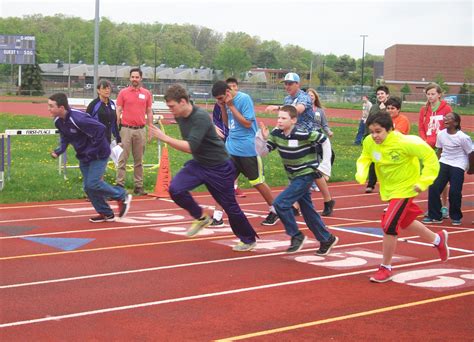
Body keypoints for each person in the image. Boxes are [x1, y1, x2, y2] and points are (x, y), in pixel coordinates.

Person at [148, 84, 258, 252]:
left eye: (172, 106)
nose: (170, 110)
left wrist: (165, 138)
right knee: (175, 189)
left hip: (219, 167)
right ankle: (201, 216)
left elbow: (191, 146)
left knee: (229, 206)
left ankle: (248, 239)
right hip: (200, 164)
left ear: (183, 101)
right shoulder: (180, 116)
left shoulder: (199, 116)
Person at [355, 112, 449, 283]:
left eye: (378, 131)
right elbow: (365, 157)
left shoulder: (406, 142)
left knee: (389, 224)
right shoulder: (369, 142)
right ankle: (438, 239)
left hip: (407, 188)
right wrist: (361, 173)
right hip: (389, 189)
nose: (374, 136)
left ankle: (386, 267)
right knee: (405, 221)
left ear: (390, 129)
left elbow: (430, 158)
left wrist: (424, 181)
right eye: (371, 132)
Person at [256, 105, 338, 254]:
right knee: (308, 211)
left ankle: (296, 236)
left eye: (283, 118)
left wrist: (325, 166)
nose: (279, 121)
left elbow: (324, 140)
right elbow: (262, 152)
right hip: (293, 177)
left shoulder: (302, 133)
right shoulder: (276, 134)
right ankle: (326, 239)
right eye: (278, 118)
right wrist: (263, 138)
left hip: (306, 174)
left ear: (293, 120)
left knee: (280, 204)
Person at [48, 93, 132, 222]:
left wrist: (93, 150)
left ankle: (121, 195)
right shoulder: (58, 121)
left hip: (99, 153)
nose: (49, 109)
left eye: (51, 106)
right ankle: (106, 213)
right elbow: (65, 137)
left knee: (93, 183)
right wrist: (59, 150)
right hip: (84, 156)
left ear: (62, 107)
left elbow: (100, 128)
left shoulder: (78, 118)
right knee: (88, 187)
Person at [212, 80, 278, 226]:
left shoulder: (244, 99)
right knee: (223, 182)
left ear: (227, 93)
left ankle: (275, 209)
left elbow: (247, 123)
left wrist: (230, 106)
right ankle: (217, 217)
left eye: (220, 98)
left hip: (247, 149)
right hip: (231, 148)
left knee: (257, 182)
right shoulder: (226, 103)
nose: (219, 101)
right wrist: (223, 107)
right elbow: (227, 122)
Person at [424, 112, 472, 225]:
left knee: (455, 191)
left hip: (459, 163)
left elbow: (471, 153)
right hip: (444, 161)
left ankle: (456, 216)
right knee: (434, 187)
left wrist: (470, 168)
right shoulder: (441, 134)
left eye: (449, 118)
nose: (445, 119)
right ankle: (435, 215)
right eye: (445, 117)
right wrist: (435, 164)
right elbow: (439, 149)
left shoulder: (463, 137)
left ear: (455, 123)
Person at [116, 67, 153, 196]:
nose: (134, 79)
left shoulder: (147, 94)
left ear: (141, 78)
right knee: (122, 159)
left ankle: (138, 186)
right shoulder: (123, 93)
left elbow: (149, 111)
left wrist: (150, 129)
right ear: (130, 78)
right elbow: (119, 109)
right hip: (126, 129)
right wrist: (116, 128)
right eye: (132, 77)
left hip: (140, 130)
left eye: (137, 77)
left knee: (139, 160)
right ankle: (120, 185)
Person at [418, 83, 453, 218]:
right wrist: (425, 139)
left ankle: (444, 206)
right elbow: (421, 126)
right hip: (428, 145)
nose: (430, 96)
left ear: (439, 94)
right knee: (431, 176)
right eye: (428, 94)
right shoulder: (424, 110)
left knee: (441, 176)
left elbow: (450, 125)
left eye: (433, 94)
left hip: (442, 146)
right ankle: (434, 206)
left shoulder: (446, 108)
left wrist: (442, 141)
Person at [306, 88, 336, 216]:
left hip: (317, 138)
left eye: (312, 95)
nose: (310, 97)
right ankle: (296, 206)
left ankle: (327, 199)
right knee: (303, 169)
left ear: (315, 97)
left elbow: (324, 125)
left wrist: (328, 132)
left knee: (313, 167)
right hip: (305, 138)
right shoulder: (301, 109)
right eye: (308, 95)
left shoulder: (319, 111)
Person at [364, 85, 390, 193]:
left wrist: (384, 109)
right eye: (378, 94)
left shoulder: (390, 106)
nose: (380, 96)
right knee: (373, 161)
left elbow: (389, 120)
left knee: (386, 162)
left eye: (382, 94)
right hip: (374, 137)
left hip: (385, 138)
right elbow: (369, 120)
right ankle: (371, 184)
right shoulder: (374, 107)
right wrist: (366, 135)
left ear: (387, 95)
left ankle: (385, 185)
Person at [86, 79, 121, 145]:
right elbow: (86, 122)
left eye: (108, 88)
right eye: (104, 88)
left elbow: (114, 123)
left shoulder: (112, 104)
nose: (107, 90)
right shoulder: (93, 105)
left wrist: (118, 139)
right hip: (95, 140)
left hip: (108, 140)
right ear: (98, 90)